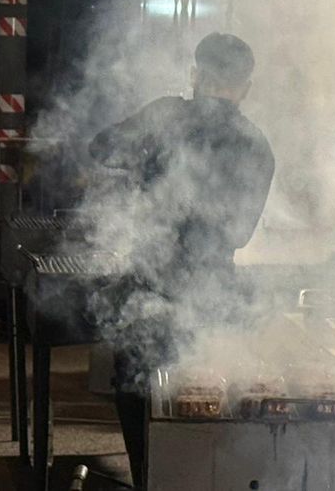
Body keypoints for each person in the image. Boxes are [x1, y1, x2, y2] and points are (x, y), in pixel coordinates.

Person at [89, 32, 274, 488]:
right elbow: (239, 233)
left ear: (196, 75)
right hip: (211, 293)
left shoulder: (166, 115)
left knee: (138, 393)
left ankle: (146, 479)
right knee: (203, 405)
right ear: (245, 87)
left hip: (147, 287)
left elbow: (101, 148)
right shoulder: (256, 146)